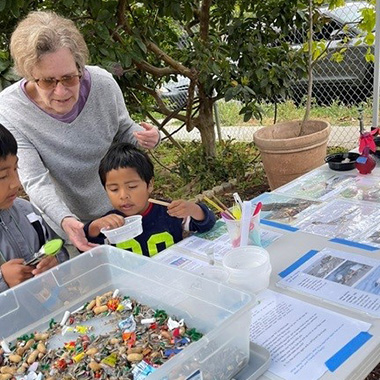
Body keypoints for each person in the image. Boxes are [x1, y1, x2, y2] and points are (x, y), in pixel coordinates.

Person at [0, 11, 160, 252]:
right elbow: (35, 180)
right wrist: (67, 221)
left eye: (69, 78)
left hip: (121, 211)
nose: (61, 91)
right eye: (47, 81)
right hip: (70, 223)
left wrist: (149, 138)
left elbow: (125, 131)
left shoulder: (103, 84)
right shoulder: (10, 109)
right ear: (29, 75)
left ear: (80, 66)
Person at [83, 142, 216, 257]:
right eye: (114, 189)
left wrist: (193, 209)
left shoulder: (169, 211)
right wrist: (94, 227)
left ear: (150, 185)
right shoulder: (110, 224)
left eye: (132, 186)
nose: (123, 195)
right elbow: (89, 251)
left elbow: (207, 224)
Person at [0, 124, 69, 293]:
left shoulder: (27, 211)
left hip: (49, 308)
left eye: (16, 168)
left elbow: (58, 248)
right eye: (2, 176)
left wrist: (54, 262)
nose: (16, 183)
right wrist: (3, 280)